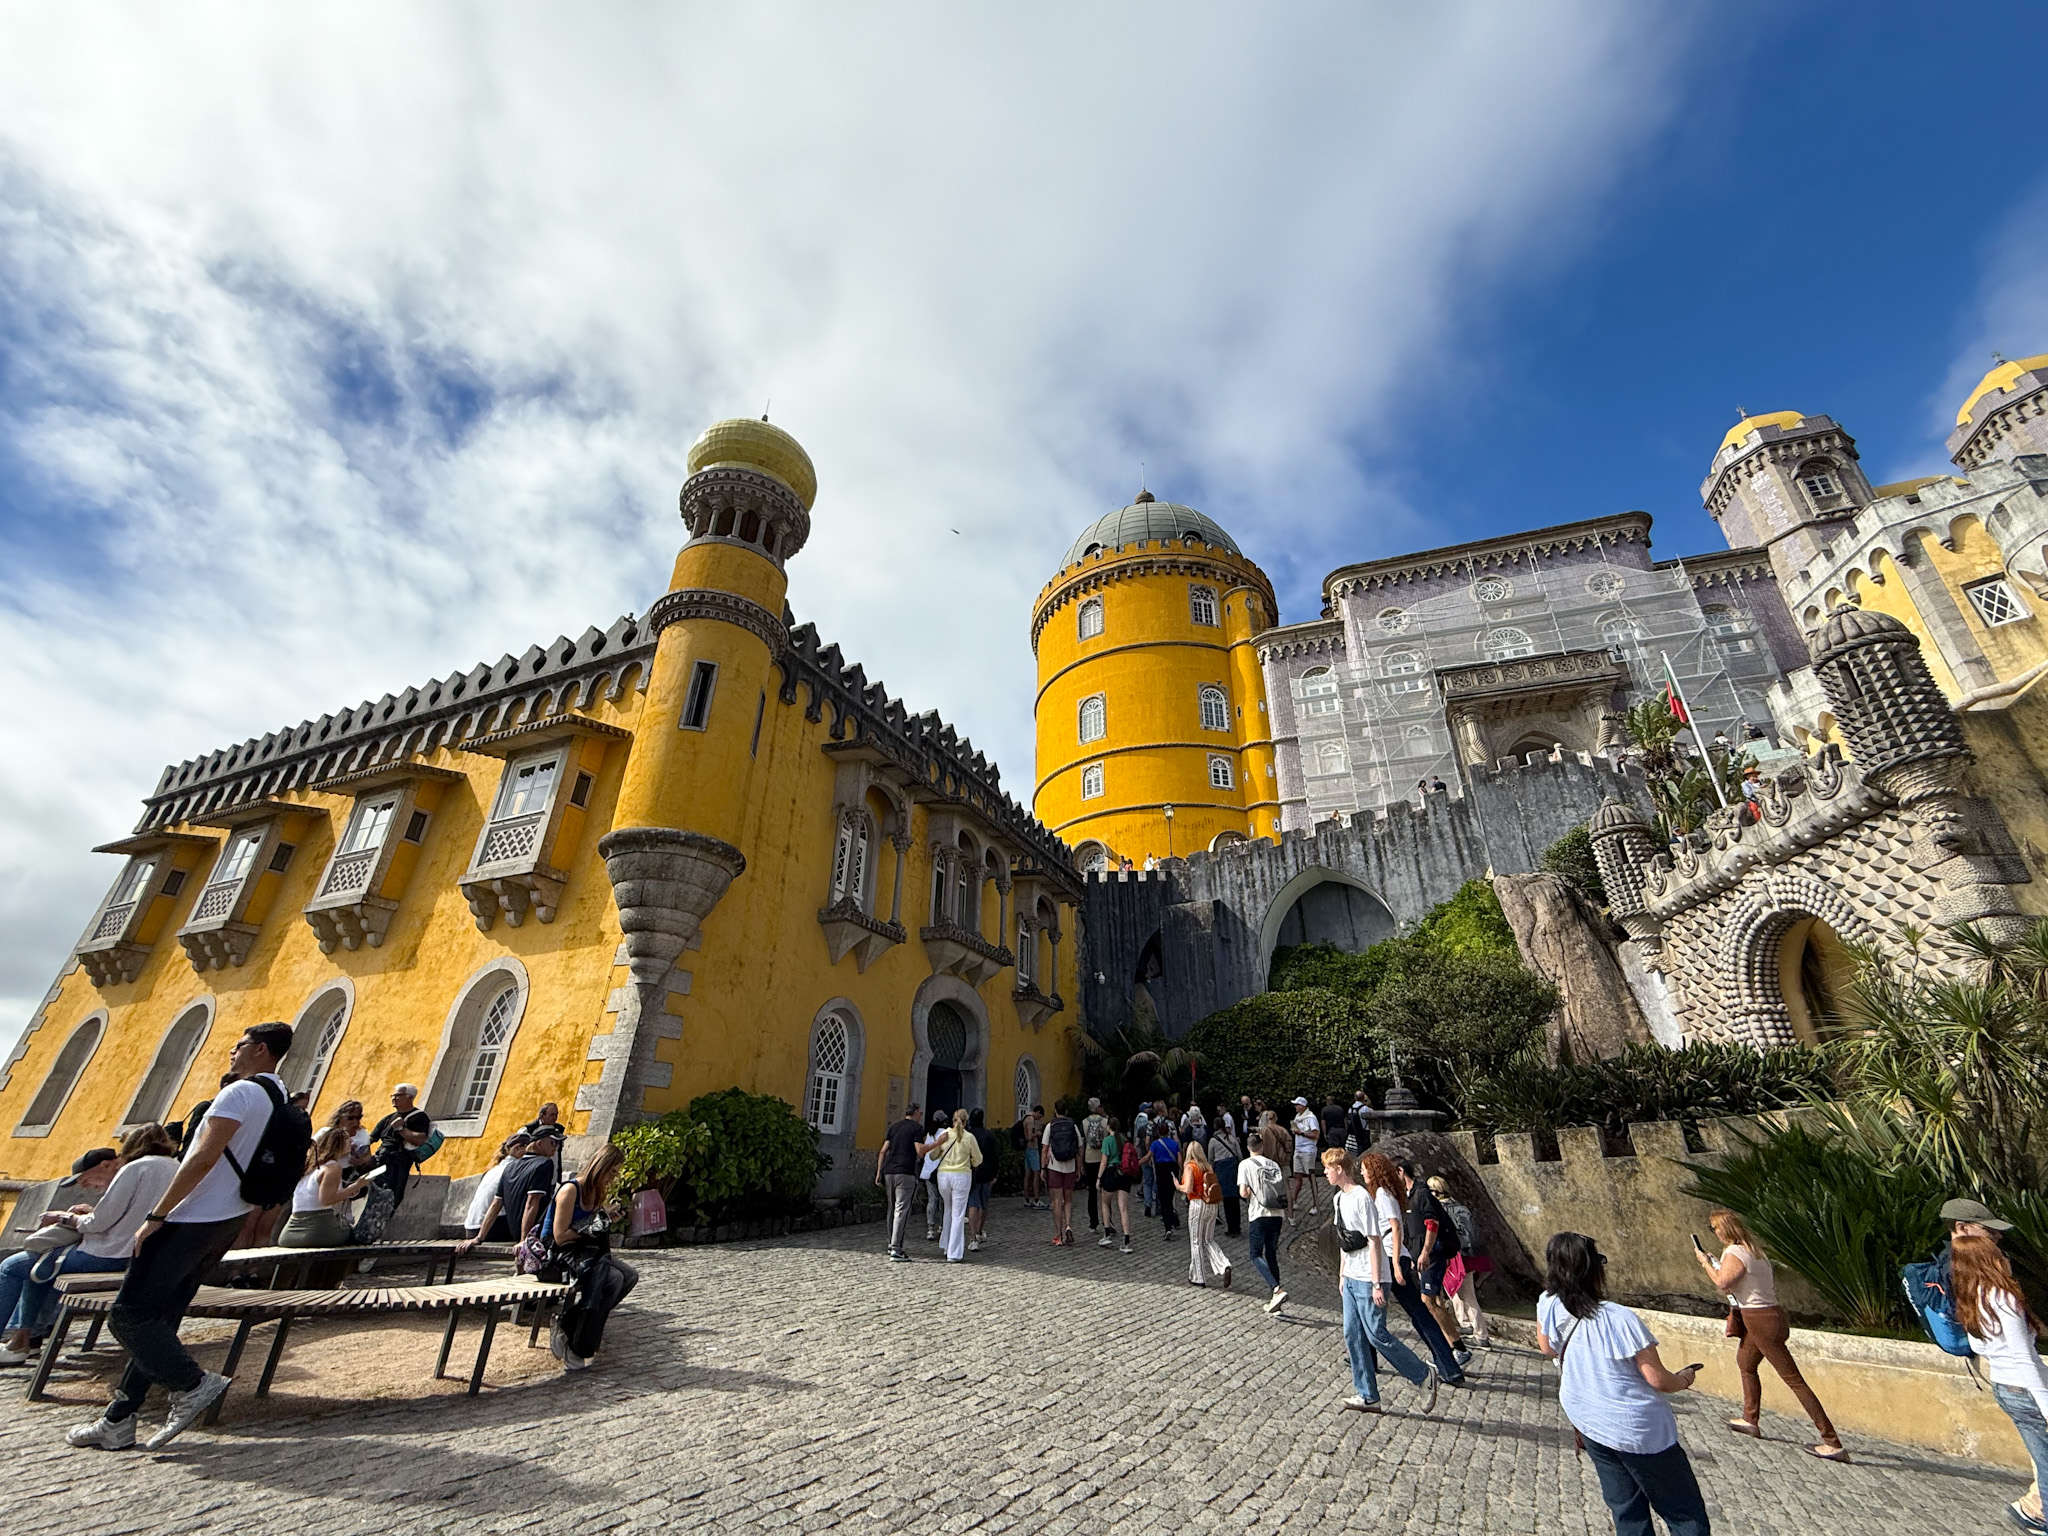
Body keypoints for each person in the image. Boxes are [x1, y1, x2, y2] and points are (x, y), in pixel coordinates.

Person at [67, 1020, 294, 1452]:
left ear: (261, 1050)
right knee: (160, 1318)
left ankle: (191, 1384)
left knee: (128, 1317)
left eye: (240, 1044)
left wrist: (158, 1214)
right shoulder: (277, 1095)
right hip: (228, 1218)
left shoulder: (239, 1092)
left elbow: (203, 1156)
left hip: (193, 1217)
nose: (233, 1051)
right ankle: (118, 1419)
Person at [1537, 1232, 1709, 1536]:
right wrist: (1683, 1379)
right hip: (1636, 1429)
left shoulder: (1548, 1302)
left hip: (1588, 1420)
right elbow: (1658, 1379)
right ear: (1593, 1269)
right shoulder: (1619, 1318)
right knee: (1684, 1514)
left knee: (1627, 1511)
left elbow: (1547, 1347)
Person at [0, 1129, 177, 1365]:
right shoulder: (175, 1166)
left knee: (13, 1266)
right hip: (144, 1255)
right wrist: (91, 1214)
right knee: (37, 1267)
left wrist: (64, 1217)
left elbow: (99, 1223)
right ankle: (26, 1339)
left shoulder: (134, 1168)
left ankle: (22, 1340)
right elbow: (133, 1215)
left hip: (110, 1254)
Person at [1695, 1208, 1844, 1462]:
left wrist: (1705, 1263)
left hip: (1760, 1320)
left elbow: (1723, 1283)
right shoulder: (1755, 1251)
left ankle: (1832, 1441)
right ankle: (1750, 1418)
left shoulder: (1734, 1251)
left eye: (1714, 1228)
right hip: (1770, 1316)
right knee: (1746, 1362)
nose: (1714, 1233)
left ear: (1725, 1229)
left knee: (1794, 1380)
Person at [1945, 1208, 2048, 1533]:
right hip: (2025, 1388)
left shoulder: (1972, 1293)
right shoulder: (2002, 1297)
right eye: (1995, 1246)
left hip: (2004, 1387)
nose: (2002, 1251)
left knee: (2042, 1457)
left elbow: (1979, 1346)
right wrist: (2046, 1404)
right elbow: (2023, 1357)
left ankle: (2037, 1513)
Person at [1326, 1148, 1436, 1415]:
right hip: (1352, 1276)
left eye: (1328, 1168)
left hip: (1370, 1276)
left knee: (1376, 1334)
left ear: (1339, 1169)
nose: (1325, 1173)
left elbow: (1374, 1240)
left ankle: (1422, 1374)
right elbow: (1344, 1241)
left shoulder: (1362, 1197)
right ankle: (1367, 1394)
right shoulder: (1339, 1199)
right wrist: (1342, 1275)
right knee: (1352, 1334)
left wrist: (1377, 1283)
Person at [1359, 1153, 1464, 1385]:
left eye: (1365, 1169)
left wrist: (1396, 1263)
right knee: (1402, 1312)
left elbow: (1396, 1228)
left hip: (1391, 1257)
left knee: (1416, 1313)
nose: (1362, 1173)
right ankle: (1367, 1358)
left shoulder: (1382, 1194)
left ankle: (1449, 1367)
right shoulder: (1384, 1193)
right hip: (1390, 1256)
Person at [545, 1143, 638, 1370]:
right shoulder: (570, 1191)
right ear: (601, 1166)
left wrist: (605, 1220)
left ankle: (568, 1323)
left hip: (585, 1250)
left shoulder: (596, 1192)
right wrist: (598, 1223)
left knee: (629, 1276)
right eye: (611, 1172)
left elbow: (592, 1228)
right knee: (613, 1279)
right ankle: (579, 1342)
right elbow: (560, 1236)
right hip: (560, 1253)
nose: (612, 1179)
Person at [1397, 1159, 1468, 1366]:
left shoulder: (1422, 1194)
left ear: (1400, 1171)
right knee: (1436, 1301)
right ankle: (1450, 1349)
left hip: (1433, 1255)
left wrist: (1425, 1253)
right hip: (1422, 1257)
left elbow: (1432, 1224)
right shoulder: (1408, 1196)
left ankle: (1459, 1349)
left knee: (1428, 1300)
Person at [461, 1122, 563, 1255]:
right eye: (553, 1143)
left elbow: (496, 1203)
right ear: (539, 1144)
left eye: (558, 1144)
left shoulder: (509, 1167)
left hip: (486, 1228)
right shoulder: (544, 1163)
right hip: (523, 1231)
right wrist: (524, 1240)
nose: (556, 1148)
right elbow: (532, 1202)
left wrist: (479, 1237)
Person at [277, 1126, 378, 1248]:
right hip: (317, 1229)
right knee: (360, 1234)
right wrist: (357, 1185)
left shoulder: (310, 1167)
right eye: (347, 1138)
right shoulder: (333, 1167)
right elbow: (326, 1200)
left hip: (290, 1234)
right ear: (337, 1143)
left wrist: (348, 1190)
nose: (351, 1141)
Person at [1428, 1175, 1492, 1350]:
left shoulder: (1440, 1210)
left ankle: (1481, 1335)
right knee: (1458, 1292)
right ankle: (1466, 1325)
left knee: (1467, 1296)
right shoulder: (1460, 1207)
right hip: (1467, 1254)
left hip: (1454, 1256)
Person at [1239, 1131, 1288, 1315]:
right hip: (1277, 1213)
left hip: (1259, 1213)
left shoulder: (1245, 1164)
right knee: (1272, 1254)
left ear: (1248, 1147)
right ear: (1262, 1146)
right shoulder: (1273, 1164)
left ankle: (1277, 1289)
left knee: (1255, 1254)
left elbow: (1244, 1192)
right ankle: (1276, 1300)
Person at [459, 1131, 532, 1244]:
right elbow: (497, 1203)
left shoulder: (494, 1169)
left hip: (471, 1228)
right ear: (518, 1148)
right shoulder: (513, 1170)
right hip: (489, 1229)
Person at [371, 1083, 433, 1212]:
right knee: (374, 1193)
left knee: (392, 1197)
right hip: (381, 1160)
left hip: (398, 1163)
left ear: (410, 1097)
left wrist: (401, 1129)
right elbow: (372, 1138)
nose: (394, 1098)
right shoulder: (389, 1118)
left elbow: (420, 1139)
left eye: (398, 1095)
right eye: (392, 1095)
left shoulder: (419, 1117)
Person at [876, 1099, 925, 1262]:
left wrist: (879, 1172)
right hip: (905, 1172)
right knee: (901, 1209)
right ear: (915, 1113)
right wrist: (937, 1144)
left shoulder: (894, 1127)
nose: (921, 1115)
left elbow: (883, 1151)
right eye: (920, 1113)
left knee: (892, 1208)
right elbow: (920, 1151)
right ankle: (896, 1249)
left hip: (889, 1171)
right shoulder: (917, 1128)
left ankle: (890, 1243)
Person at [930, 1109, 982, 1262]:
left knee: (948, 1208)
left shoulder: (944, 1134)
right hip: (961, 1175)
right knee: (958, 1214)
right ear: (966, 1121)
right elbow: (978, 1159)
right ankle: (954, 1253)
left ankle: (946, 1245)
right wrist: (971, 1162)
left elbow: (933, 1155)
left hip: (943, 1175)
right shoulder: (969, 1137)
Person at [1178, 1140, 1231, 1287]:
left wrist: (1178, 1185)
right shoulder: (1208, 1167)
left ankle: (1199, 1277)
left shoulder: (1190, 1166)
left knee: (1196, 1241)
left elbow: (1188, 1188)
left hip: (1197, 1204)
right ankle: (1224, 1264)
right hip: (1211, 1204)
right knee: (1208, 1239)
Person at [1041, 1106, 1081, 1245]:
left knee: (1057, 1201)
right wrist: (1079, 1168)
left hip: (1055, 1166)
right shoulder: (1073, 1126)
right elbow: (1079, 1147)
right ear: (1066, 1111)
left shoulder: (1050, 1126)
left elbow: (1044, 1148)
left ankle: (1058, 1235)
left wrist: (1042, 1168)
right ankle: (1068, 1225)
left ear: (1055, 1111)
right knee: (1068, 1199)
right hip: (1070, 1166)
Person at [1097, 1116, 1134, 1254]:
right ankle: (1127, 1241)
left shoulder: (1107, 1141)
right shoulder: (1124, 1139)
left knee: (1105, 1202)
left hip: (1111, 1173)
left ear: (1108, 1126)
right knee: (1123, 1208)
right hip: (1124, 1174)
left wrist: (1098, 1178)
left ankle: (1107, 1234)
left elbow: (1104, 1162)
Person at [965, 1108, 996, 1252]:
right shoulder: (989, 1135)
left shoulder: (968, 1135)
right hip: (987, 1173)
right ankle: (978, 1231)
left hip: (972, 1173)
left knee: (973, 1205)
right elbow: (995, 1156)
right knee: (983, 1204)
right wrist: (995, 1174)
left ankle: (973, 1238)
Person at [1208, 1115, 1243, 1238]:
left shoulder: (1213, 1141)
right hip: (1233, 1169)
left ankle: (1231, 1228)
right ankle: (1237, 1226)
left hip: (1221, 1170)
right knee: (1235, 1198)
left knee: (1227, 1200)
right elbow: (1239, 1155)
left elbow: (1210, 1158)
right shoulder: (1232, 1139)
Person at [1287, 1097, 1321, 1217]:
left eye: (1297, 1104)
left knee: (1311, 1176)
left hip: (1308, 1150)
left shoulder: (1311, 1118)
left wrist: (1301, 1133)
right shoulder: (1298, 1117)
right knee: (1297, 1175)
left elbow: (1316, 1134)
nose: (1295, 1107)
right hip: (1298, 1150)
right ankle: (1294, 1201)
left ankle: (1316, 1204)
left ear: (1302, 1106)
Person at [1148, 1117, 1182, 1237]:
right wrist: (1182, 1171)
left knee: (1163, 1200)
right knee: (1170, 1198)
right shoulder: (1174, 1144)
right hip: (1172, 1171)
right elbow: (1179, 1159)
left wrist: (1138, 1163)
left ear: (1158, 1132)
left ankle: (1167, 1227)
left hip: (1161, 1172)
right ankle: (1173, 1218)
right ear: (1168, 1132)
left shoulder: (1155, 1144)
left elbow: (1148, 1156)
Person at [920, 1108, 949, 1242]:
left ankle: (930, 1228)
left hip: (928, 1171)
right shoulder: (945, 1133)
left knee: (932, 1200)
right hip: (941, 1171)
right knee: (943, 1201)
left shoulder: (928, 1135)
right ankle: (941, 1227)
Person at [1081, 1098, 1109, 1234]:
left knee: (1092, 1191)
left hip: (1089, 1157)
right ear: (1098, 1107)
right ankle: (1107, 1220)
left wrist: (1081, 1163)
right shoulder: (1105, 1122)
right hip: (1102, 1157)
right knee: (1105, 1191)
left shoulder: (1084, 1122)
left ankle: (1093, 1222)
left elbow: (1082, 1143)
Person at [1132, 1103, 1155, 1216]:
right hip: (1153, 1156)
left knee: (1147, 1180)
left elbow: (1136, 1143)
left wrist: (1137, 1156)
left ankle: (1147, 1204)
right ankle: (1157, 1204)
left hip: (1144, 1156)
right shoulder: (1156, 1127)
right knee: (1155, 1180)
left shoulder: (1141, 1128)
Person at [1020, 1104, 1044, 1209]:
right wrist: (1037, 1134)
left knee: (1027, 1174)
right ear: (1038, 1112)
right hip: (1032, 1149)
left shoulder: (1025, 1118)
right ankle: (1036, 1199)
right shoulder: (1030, 1120)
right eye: (1040, 1116)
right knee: (1036, 1174)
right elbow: (1029, 1136)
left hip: (1027, 1149)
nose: (1039, 1119)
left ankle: (1027, 1199)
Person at [1344, 1090, 1373, 1154]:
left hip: (1355, 1133)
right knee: (1366, 1151)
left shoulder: (1350, 1109)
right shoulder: (1365, 1108)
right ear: (1363, 1098)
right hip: (1365, 1132)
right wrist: (1368, 1103)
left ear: (1355, 1098)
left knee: (1358, 1150)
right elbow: (1373, 1114)